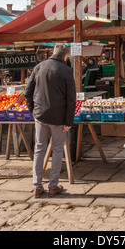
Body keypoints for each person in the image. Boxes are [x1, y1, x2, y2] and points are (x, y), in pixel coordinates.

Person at [24, 43, 76, 198]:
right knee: (58, 150)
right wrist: (69, 121)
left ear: (54, 52)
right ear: (65, 56)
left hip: (40, 116)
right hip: (59, 118)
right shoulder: (66, 70)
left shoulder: (39, 67)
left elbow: (27, 92)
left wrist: (34, 111)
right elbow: (71, 99)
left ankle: (37, 187)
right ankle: (53, 185)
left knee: (39, 149)